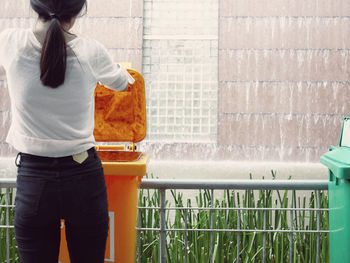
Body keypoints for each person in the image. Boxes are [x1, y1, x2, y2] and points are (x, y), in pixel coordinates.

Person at [0, 0, 135, 262]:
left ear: (35, 6)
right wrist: (118, 71)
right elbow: (122, 84)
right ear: (76, 12)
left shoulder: (10, 43)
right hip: (83, 177)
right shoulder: (90, 51)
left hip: (34, 178)